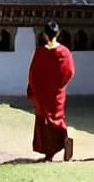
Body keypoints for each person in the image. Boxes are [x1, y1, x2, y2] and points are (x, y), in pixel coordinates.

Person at [26, 20, 75, 162]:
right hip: (57, 94)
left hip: (42, 94)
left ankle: (49, 153)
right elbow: (70, 71)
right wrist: (60, 85)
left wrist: (34, 89)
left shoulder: (40, 52)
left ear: (44, 35)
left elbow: (33, 73)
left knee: (44, 121)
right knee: (57, 118)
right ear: (58, 34)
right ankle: (64, 142)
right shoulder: (64, 52)